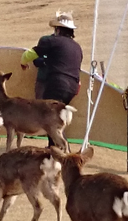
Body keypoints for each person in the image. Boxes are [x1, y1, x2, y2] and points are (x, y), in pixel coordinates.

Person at [21, 11, 83, 147]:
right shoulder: (77, 47)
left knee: (50, 118)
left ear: (58, 29)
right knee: (55, 118)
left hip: (56, 84)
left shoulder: (51, 41)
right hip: (72, 87)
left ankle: (57, 149)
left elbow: (30, 54)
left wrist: (23, 61)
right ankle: (54, 148)